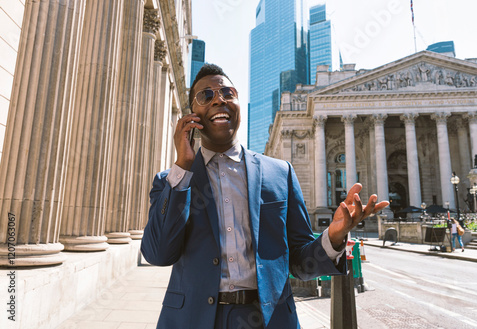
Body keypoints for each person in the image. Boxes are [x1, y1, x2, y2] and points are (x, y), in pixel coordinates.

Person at [141, 64, 389, 329]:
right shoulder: (172, 181)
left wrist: (334, 235)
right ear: (192, 116)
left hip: (268, 320)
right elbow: (158, 254)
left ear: (238, 103)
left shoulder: (280, 173)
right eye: (206, 95)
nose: (219, 99)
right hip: (194, 319)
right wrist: (183, 168)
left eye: (227, 92)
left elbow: (300, 263)